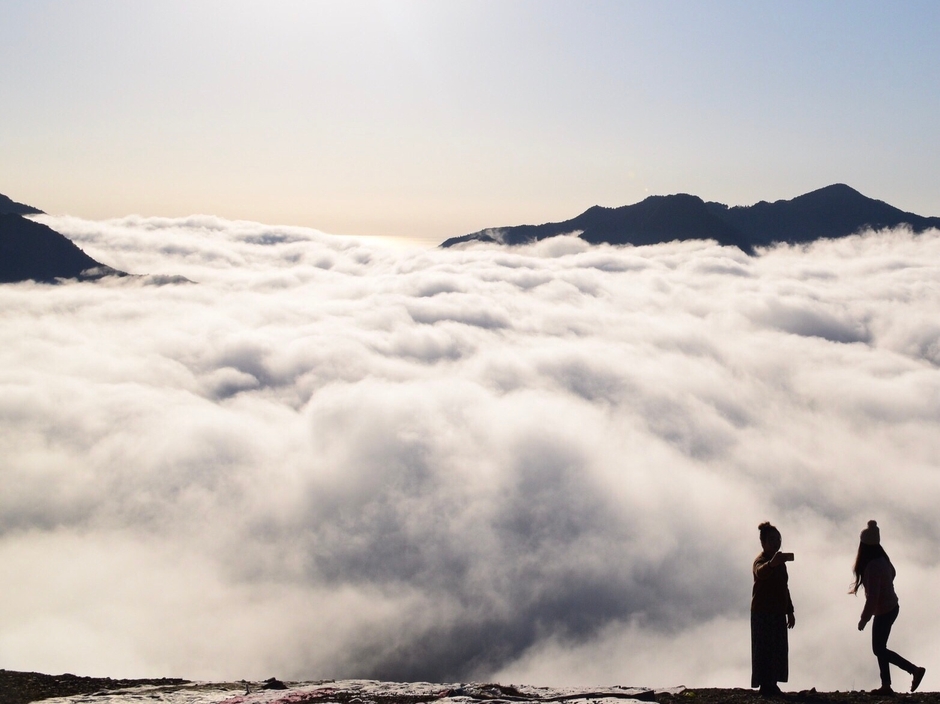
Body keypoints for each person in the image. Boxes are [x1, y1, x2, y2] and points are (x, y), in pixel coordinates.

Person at [852, 519, 926, 694]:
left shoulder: (871, 567)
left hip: (884, 611)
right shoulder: (883, 559)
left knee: (878, 649)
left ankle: (914, 670)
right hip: (892, 607)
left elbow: (872, 598)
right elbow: (892, 574)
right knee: (880, 647)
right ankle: (886, 685)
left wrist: (864, 619)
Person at [751, 521, 796, 696]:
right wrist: (772, 564)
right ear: (763, 543)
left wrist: (790, 611)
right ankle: (765, 684)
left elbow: (784, 587)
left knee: (777, 648)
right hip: (762, 612)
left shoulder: (780, 563)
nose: (776, 543)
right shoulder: (761, 560)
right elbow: (760, 572)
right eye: (772, 540)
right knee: (764, 648)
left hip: (777, 611)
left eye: (778, 539)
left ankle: (773, 682)